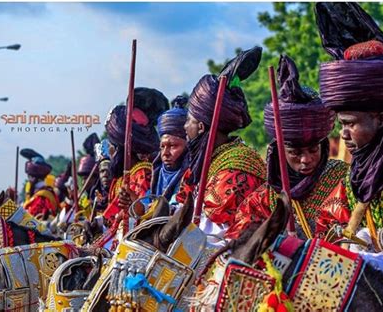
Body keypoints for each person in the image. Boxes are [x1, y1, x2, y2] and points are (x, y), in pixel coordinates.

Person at [316, 3, 383, 258]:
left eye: (350, 123)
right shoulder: (358, 172)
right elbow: (327, 228)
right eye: (341, 124)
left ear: (381, 119)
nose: (343, 134)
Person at [226, 55, 349, 240]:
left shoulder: (342, 179)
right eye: (294, 153)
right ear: (279, 153)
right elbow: (240, 241)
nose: (306, 159)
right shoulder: (264, 198)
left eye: (313, 150)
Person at [177, 46, 267, 238]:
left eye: (188, 121)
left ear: (201, 127)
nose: (185, 127)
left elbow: (216, 233)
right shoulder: (208, 161)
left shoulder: (237, 167)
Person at [102, 87, 169, 226]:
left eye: (111, 145)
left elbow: (145, 215)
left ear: (119, 147)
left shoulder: (142, 174)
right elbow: (109, 217)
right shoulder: (120, 178)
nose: (109, 150)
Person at [150, 95, 189, 211]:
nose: (165, 153)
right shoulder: (157, 174)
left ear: (187, 147)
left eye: (173, 146)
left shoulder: (194, 176)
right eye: (162, 146)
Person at [21, 148, 59, 219]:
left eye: (30, 176)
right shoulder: (45, 192)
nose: (29, 180)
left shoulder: (42, 197)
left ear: (33, 178)